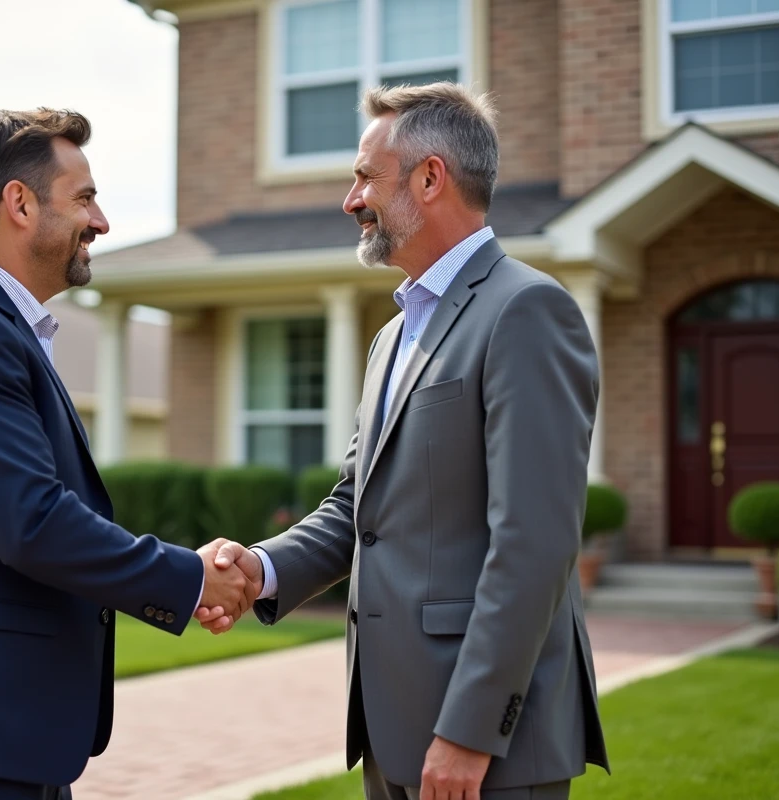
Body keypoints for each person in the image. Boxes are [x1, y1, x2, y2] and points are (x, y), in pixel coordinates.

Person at [199, 82, 611, 800]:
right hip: (391, 726)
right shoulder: (392, 336)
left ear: (430, 178)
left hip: (485, 745)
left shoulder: (527, 310)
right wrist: (260, 569)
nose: (351, 200)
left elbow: (535, 544)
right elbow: (357, 507)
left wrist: (471, 731)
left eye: (366, 176)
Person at [0, 108, 254, 800]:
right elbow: (33, 521)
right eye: (84, 199)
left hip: (4, 731)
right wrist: (190, 578)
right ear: (19, 203)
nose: (100, 222)